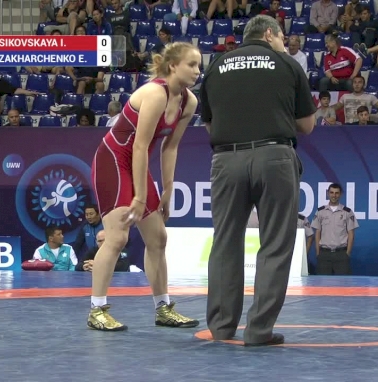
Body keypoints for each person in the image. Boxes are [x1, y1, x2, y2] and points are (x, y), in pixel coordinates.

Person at [200, 14, 317, 346]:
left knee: (225, 242)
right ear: (270, 34)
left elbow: (210, 124)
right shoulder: (287, 63)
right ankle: (259, 330)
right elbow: (307, 125)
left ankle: (222, 328)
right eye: (282, 38)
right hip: (273, 157)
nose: (284, 43)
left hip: (225, 159)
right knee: (276, 244)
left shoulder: (217, 65)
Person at [88, 42, 202, 331]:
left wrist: (167, 190)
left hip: (135, 164)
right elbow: (139, 146)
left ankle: (163, 308)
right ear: (173, 65)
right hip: (112, 162)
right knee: (117, 238)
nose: (197, 71)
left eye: (199, 65)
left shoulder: (189, 102)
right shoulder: (154, 94)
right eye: (192, 64)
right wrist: (140, 196)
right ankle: (97, 310)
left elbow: (170, 146)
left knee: (158, 238)